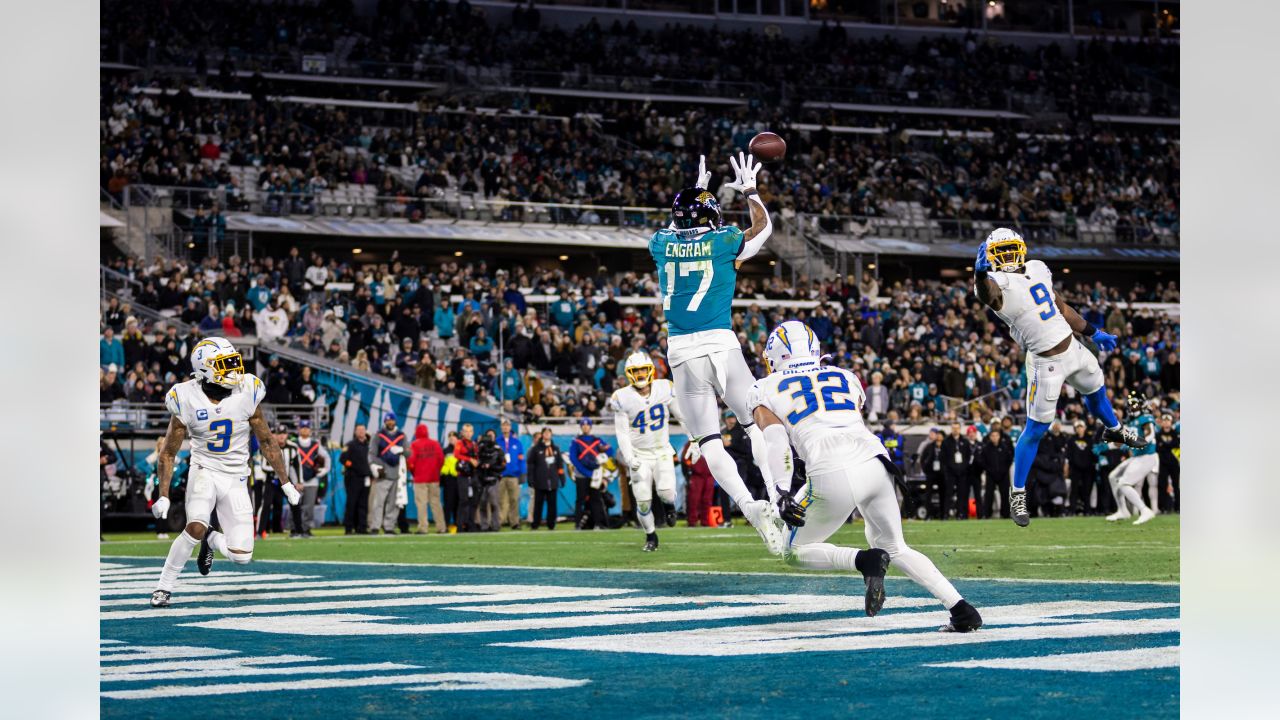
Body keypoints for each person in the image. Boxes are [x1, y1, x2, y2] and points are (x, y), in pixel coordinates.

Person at [747, 321, 981, 631]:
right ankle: (961, 609)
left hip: (831, 469)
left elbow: (776, 440)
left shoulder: (763, 388)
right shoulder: (846, 376)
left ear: (774, 357)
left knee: (792, 551)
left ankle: (864, 561)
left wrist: (780, 491)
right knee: (896, 546)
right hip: (875, 463)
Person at [649, 152, 784, 554]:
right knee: (754, 426)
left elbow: (678, 227)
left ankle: (748, 506)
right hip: (720, 346)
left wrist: (694, 196)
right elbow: (763, 228)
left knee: (709, 442)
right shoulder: (724, 241)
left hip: (680, 354)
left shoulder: (659, 244)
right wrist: (749, 190)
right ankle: (779, 498)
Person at [973, 228, 1146, 526]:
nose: (1008, 256)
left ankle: (1114, 428)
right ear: (990, 258)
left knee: (1097, 393)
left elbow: (1061, 306)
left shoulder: (1038, 267)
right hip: (1045, 362)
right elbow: (990, 295)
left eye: (1011, 249)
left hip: (1073, 347)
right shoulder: (996, 282)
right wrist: (978, 275)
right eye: (1001, 252)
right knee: (1036, 430)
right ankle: (1018, 493)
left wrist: (1092, 331)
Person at [148, 337, 299, 608]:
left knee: (242, 555)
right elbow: (169, 452)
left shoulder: (247, 390)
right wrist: (163, 495)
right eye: (223, 364)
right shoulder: (185, 397)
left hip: (236, 477)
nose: (232, 370)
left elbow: (266, 440)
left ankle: (211, 538)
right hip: (204, 470)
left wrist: (286, 482)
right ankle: (164, 587)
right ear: (203, 369)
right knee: (194, 526)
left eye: (232, 362)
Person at [610, 352, 684, 551]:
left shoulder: (664, 388)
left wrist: (694, 438)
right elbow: (622, 432)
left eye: (643, 369)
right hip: (639, 454)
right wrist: (629, 457)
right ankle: (651, 536)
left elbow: (681, 416)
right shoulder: (621, 397)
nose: (640, 374)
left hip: (661, 451)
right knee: (643, 502)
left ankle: (669, 506)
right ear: (629, 373)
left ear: (650, 370)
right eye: (636, 371)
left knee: (667, 492)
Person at [1105, 394, 1159, 525]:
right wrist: (1105, 446)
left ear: (1141, 405)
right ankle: (1123, 510)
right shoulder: (1129, 422)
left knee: (1123, 483)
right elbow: (1120, 442)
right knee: (1112, 477)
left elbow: (1150, 433)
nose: (1132, 408)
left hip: (1148, 456)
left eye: (1135, 405)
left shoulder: (1146, 418)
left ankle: (1145, 510)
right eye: (1130, 406)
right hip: (1137, 457)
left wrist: (1141, 442)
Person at [368, 412, 407, 534]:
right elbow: (372, 454)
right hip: (383, 473)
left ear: (395, 421)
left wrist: (402, 450)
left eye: (392, 420)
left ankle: (389, 526)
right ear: (384, 421)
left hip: (397, 474)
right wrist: (375, 466)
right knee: (378, 502)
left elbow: (409, 452)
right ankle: (375, 526)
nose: (390, 422)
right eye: (388, 420)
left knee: (394, 503)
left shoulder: (402, 436)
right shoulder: (378, 435)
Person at [290, 418, 329, 538]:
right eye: (303, 427)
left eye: (307, 428)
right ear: (299, 429)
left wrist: (322, 472)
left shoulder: (315, 444)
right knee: (295, 506)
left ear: (310, 430)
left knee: (309, 507)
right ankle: (295, 529)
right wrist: (295, 480)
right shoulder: (293, 444)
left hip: (312, 480)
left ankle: (306, 529)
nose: (305, 430)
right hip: (297, 481)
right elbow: (290, 463)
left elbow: (327, 459)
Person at [569, 418, 611, 530]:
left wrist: (603, 456)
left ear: (591, 427)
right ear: (581, 427)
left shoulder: (597, 440)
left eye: (588, 425)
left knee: (596, 499)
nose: (585, 427)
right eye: (583, 425)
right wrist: (586, 472)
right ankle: (577, 524)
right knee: (580, 500)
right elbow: (573, 458)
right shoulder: (576, 441)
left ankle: (598, 524)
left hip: (595, 475)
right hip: (582, 474)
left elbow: (609, 450)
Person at [408, 423, 446, 533]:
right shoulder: (435, 443)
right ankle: (441, 527)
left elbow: (411, 462)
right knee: (436, 503)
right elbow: (441, 460)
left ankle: (423, 527)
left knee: (421, 503)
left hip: (420, 479)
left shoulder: (414, 445)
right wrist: (436, 472)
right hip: (434, 478)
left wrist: (415, 474)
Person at [527, 428, 565, 530]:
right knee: (538, 504)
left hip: (552, 481)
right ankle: (535, 523)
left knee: (552, 504)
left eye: (549, 433)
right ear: (542, 435)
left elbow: (559, 465)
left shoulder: (556, 449)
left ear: (551, 435)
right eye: (545, 433)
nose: (547, 434)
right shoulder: (536, 449)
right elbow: (531, 465)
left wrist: (562, 477)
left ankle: (551, 524)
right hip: (540, 481)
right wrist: (530, 478)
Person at [339, 424, 372, 534]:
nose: (361, 432)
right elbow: (343, 459)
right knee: (351, 503)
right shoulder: (350, 445)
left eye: (363, 430)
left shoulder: (369, 445)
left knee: (363, 504)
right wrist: (352, 467)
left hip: (365, 478)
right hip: (353, 478)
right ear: (355, 432)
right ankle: (348, 527)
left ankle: (362, 527)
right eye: (359, 430)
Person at [976, 427, 1014, 519]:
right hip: (990, 475)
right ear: (990, 437)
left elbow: (1009, 459)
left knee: (1005, 494)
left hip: (1004, 474)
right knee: (988, 495)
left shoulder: (1005, 447)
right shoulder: (986, 448)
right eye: (992, 436)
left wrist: (1004, 470)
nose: (994, 437)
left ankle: (1005, 514)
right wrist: (989, 470)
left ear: (999, 436)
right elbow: (982, 461)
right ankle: (987, 514)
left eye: (996, 435)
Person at [496, 418, 526, 530]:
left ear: (510, 427)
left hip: (514, 475)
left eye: (507, 425)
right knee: (500, 500)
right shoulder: (497, 442)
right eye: (503, 425)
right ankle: (498, 522)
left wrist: (522, 474)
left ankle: (514, 522)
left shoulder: (517, 442)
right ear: (501, 427)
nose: (505, 427)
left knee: (514, 500)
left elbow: (521, 459)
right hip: (501, 476)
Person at [940, 423, 973, 520]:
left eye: (957, 428)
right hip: (950, 472)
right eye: (953, 428)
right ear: (951, 429)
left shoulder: (965, 441)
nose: (955, 430)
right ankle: (946, 514)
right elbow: (943, 457)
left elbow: (968, 456)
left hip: (962, 472)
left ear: (960, 429)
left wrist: (963, 467)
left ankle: (960, 514)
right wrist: (949, 468)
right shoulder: (946, 442)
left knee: (961, 494)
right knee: (948, 493)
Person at [475, 429, 505, 531]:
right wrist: (480, 466)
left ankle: (495, 525)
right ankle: (484, 525)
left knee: (494, 503)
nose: (489, 438)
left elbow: (503, 465)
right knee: (483, 503)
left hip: (493, 478)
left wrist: (491, 467)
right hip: (482, 479)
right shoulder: (480, 449)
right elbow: (476, 464)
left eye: (491, 436)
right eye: (488, 436)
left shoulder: (498, 450)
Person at [1066, 421, 1098, 515]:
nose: (1079, 429)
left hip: (1088, 469)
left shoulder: (1090, 439)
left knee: (1087, 491)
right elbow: (1069, 455)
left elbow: (1094, 454)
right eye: (1078, 427)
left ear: (1084, 428)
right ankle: (1072, 510)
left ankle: (1087, 510)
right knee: (1074, 490)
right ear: (1075, 429)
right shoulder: (1071, 440)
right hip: (1075, 469)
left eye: (1081, 427)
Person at [453, 424, 480, 532]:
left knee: (474, 501)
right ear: (462, 432)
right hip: (463, 475)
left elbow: (477, 457)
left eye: (470, 431)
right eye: (466, 431)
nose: (468, 433)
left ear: (473, 432)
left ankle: (470, 523)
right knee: (463, 500)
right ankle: (460, 525)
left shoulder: (474, 444)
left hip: (473, 474)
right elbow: (456, 454)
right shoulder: (459, 443)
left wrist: (477, 461)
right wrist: (469, 459)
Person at [1154, 413, 1180, 513]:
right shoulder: (1158, 435)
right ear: (1161, 423)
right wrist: (1169, 445)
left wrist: (1164, 445)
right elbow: (1157, 448)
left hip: (1174, 463)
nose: (1166, 422)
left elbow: (1176, 445)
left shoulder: (1175, 434)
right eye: (1164, 420)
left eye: (1168, 420)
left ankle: (1178, 507)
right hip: (1162, 464)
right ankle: (1164, 508)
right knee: (1162, 485)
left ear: (1171, 422)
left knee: (1176, 486)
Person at [918, 428, 945, 518]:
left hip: (942, 474)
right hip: (931, 473)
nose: (938, 437)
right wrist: (926, 470)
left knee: (943, 493)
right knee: (928, 494)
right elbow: (922, 459)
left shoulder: (945, 446)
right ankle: (928, 514)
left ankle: (943, 514)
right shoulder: (929, 446)